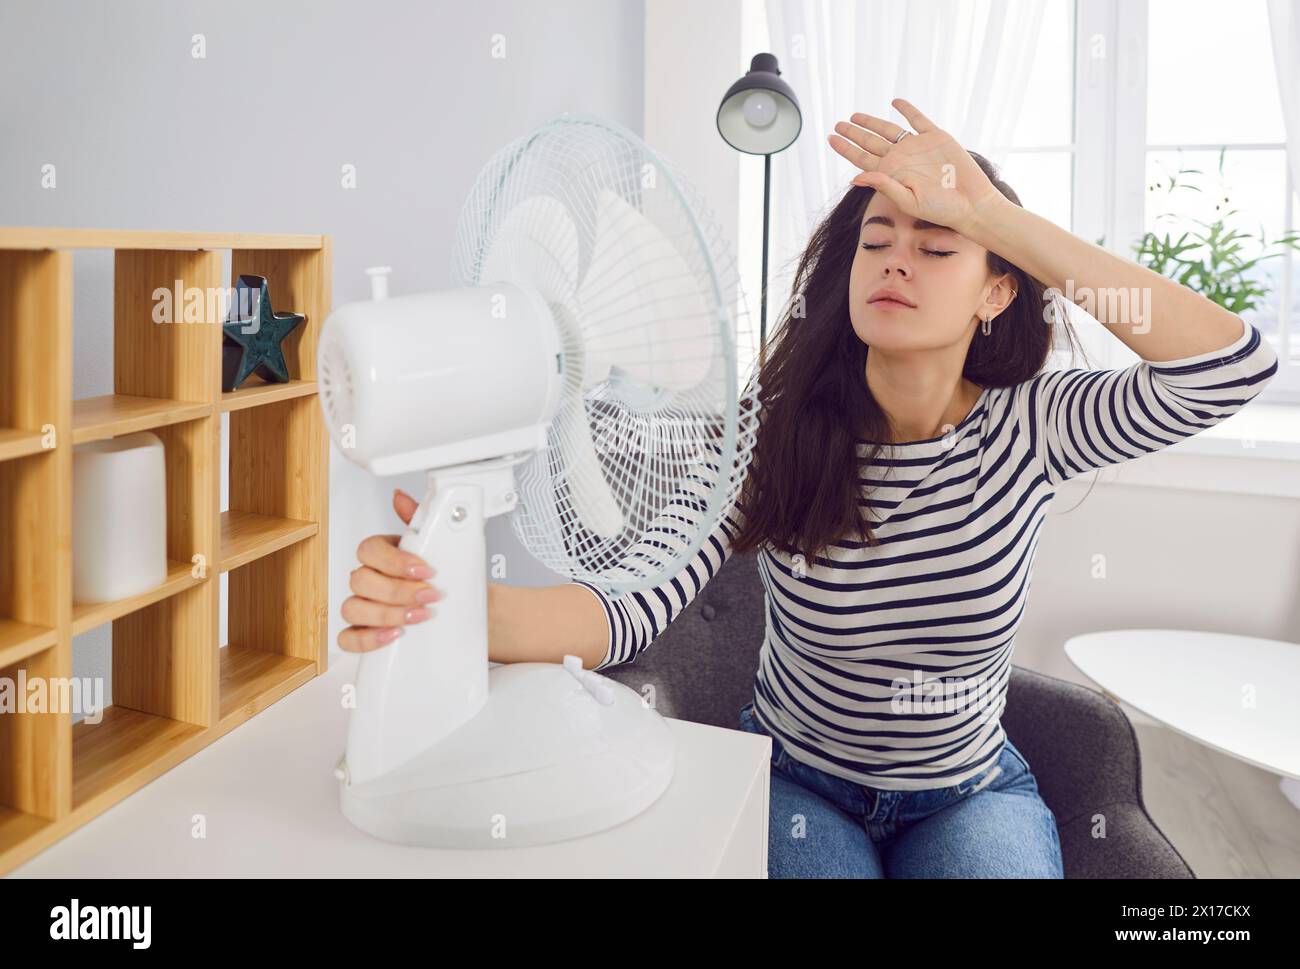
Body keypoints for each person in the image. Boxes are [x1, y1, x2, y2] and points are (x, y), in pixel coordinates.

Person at [336, 98, 1280, 878]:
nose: (898, 260)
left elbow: (1230, 367)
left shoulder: (1034, 427)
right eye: (878, 241)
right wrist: (454, 606)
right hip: (799, 780)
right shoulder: (777, 428)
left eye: (939, 245)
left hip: (968, 791)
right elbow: (634, 604)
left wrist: (996, 217)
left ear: (998, 289)